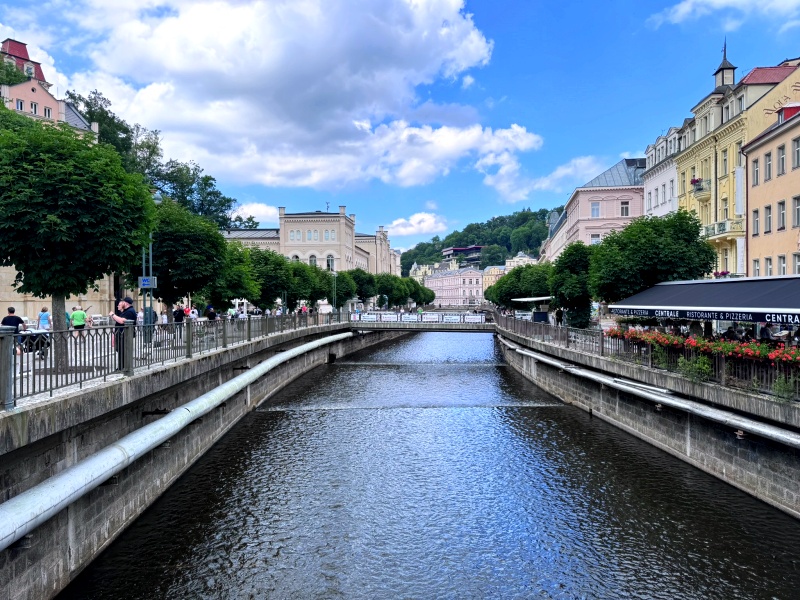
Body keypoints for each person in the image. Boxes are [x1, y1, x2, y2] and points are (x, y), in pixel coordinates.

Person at [109, 297, 137, 371]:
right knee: (121, 350)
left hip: (125, 335)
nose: (120, 304)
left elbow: (122, 321)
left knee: (123, 351)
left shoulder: (130, 311)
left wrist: (112, 315)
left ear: (125, 303)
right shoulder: (126, 311)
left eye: (122, 302)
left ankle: (123, 368)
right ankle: (122, 367)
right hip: (122, 334)